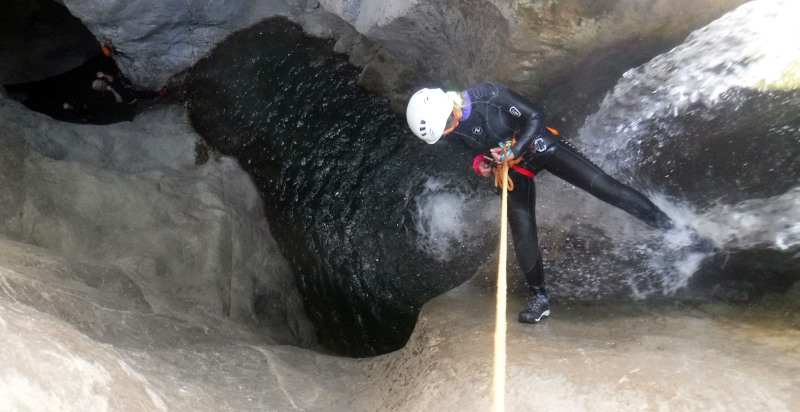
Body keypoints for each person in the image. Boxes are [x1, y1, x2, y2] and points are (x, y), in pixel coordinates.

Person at [405, 83, 675, 324]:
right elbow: (465, 148)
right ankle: (539, 298)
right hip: (513, 169)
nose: (446, 133)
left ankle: (672, 230)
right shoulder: (447, 125)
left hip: (538, 145)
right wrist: (480, 163)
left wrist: (514, 150)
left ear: (447, 110)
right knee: (521, 226)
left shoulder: (488, 95)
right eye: (442, 132)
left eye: (445, 128)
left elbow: (535, 116)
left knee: (605, 188)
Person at [91, 71, 165, 104]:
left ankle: (151, 92)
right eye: (102, 82)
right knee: (140, 94)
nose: (103, 81)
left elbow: (111, 79)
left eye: (102, 81)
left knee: (125, 80)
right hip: (128, 97)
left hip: (126, 88)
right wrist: (112, 90)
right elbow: (119, 100)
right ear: (101, 87)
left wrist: (103, 75)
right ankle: (159, 93)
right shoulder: (107, 95)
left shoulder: (107, 82)